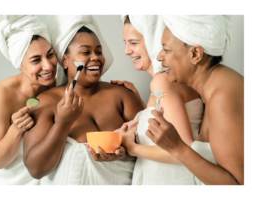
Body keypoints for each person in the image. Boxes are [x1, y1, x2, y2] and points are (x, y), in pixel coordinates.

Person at [23, 15, 144, 185]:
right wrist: (63, 123)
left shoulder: (122, 95)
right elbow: (36, 169)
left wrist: (125, 155)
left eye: (99, 51)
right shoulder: (45, 103)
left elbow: (153, 148)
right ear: (64, 61)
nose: (95, 57)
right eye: (86, 52)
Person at [146, 15, 244, 185]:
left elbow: (237, 185)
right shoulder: (219, 85)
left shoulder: (222, 97)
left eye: (166, 50)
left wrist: (177, 147)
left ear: (195, 53)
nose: (160, 57)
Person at [114, 15, 204, 185]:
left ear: (153, 41)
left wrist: (132, 147)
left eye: (133, 43)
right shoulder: (166, 82)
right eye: (125, 43)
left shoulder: (162, 82)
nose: (126, 50)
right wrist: (140, 117)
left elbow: (184, 150)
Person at [0, 15, 57, 185]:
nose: (48, 66)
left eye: (50, 55)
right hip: (7, 184)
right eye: (36, 60)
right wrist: (16, 130)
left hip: (46, 178)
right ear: (19, 63)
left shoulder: (59, 81)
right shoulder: (1, 95)